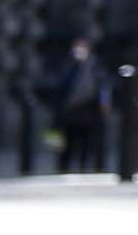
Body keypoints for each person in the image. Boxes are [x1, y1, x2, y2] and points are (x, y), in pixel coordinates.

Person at [47, 36, 109, 172]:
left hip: (86, 112)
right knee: (64, 143)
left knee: (85, 142)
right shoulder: (68, 66)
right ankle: (63, 166)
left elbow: (102, 90)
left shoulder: (95, 68)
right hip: (68, 113)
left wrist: (104, 107)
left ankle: (83, 166)